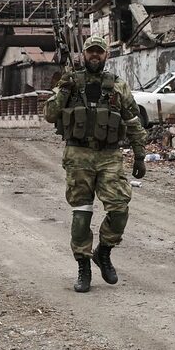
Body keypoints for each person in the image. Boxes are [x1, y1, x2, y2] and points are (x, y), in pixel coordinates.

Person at [43, 34, 148, 293]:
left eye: (99, 51)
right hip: (78, 154)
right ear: (84, 54)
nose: (94, 55)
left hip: (109, 155)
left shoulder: (118, 86)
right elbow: (50, 115)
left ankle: (104, 251)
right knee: (81, 214)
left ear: (106, 55)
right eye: (90, 51)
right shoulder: (70, 82)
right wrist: (64, 89)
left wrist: (139, 154)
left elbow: (133, 121)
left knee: (119, 210)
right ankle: (84, 266)